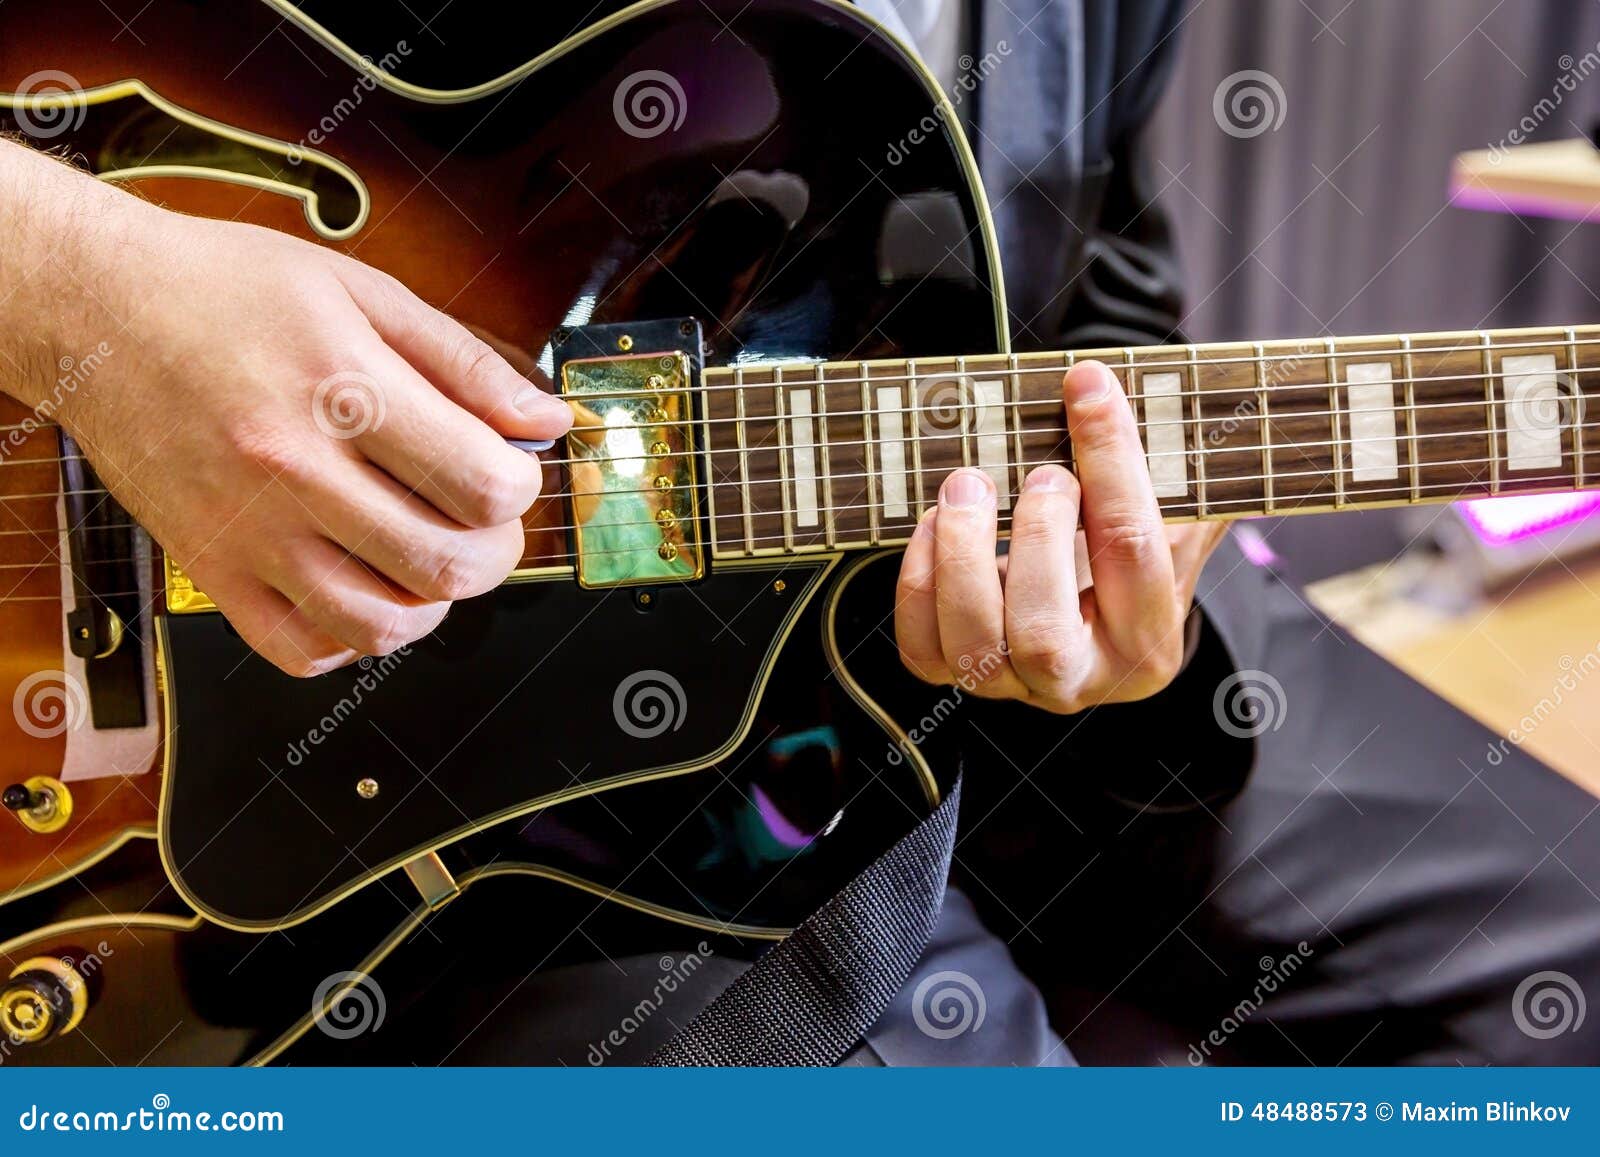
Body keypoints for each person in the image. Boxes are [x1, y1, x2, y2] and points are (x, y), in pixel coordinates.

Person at [2, 0, 1596, 1065]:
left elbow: (1099, 281)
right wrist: (84, 293)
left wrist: (1128, 595)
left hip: (972, 661)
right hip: (531, 802)